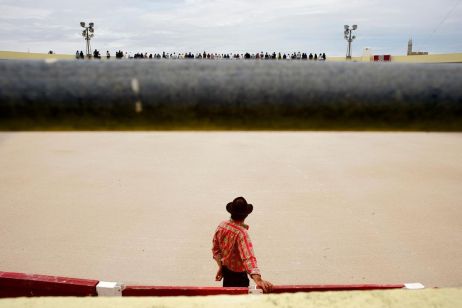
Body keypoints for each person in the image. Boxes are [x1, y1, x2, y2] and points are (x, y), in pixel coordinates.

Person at [212, 197, 273, 293]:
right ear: (246, 215)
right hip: (239, 277)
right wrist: (258, 279)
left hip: (227, 274)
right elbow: (248, 257)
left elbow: (216, 250)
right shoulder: (241, 233)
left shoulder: (222, 226)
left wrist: (221, 267)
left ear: (231, 212)